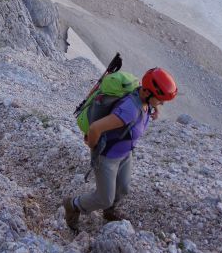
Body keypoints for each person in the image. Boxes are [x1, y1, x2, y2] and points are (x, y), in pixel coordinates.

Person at [63, 67, 177, 229]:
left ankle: (109, 211)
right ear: (146, 92)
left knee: (123, 187)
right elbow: (95, 128)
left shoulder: (144, 97)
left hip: (125, 154)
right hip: (107, 156)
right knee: (104, 198)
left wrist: (155, 107)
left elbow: (148, 102)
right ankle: (73, 205)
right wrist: (94, 148)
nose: (162, 103)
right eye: (160, 100)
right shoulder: (129, 110)